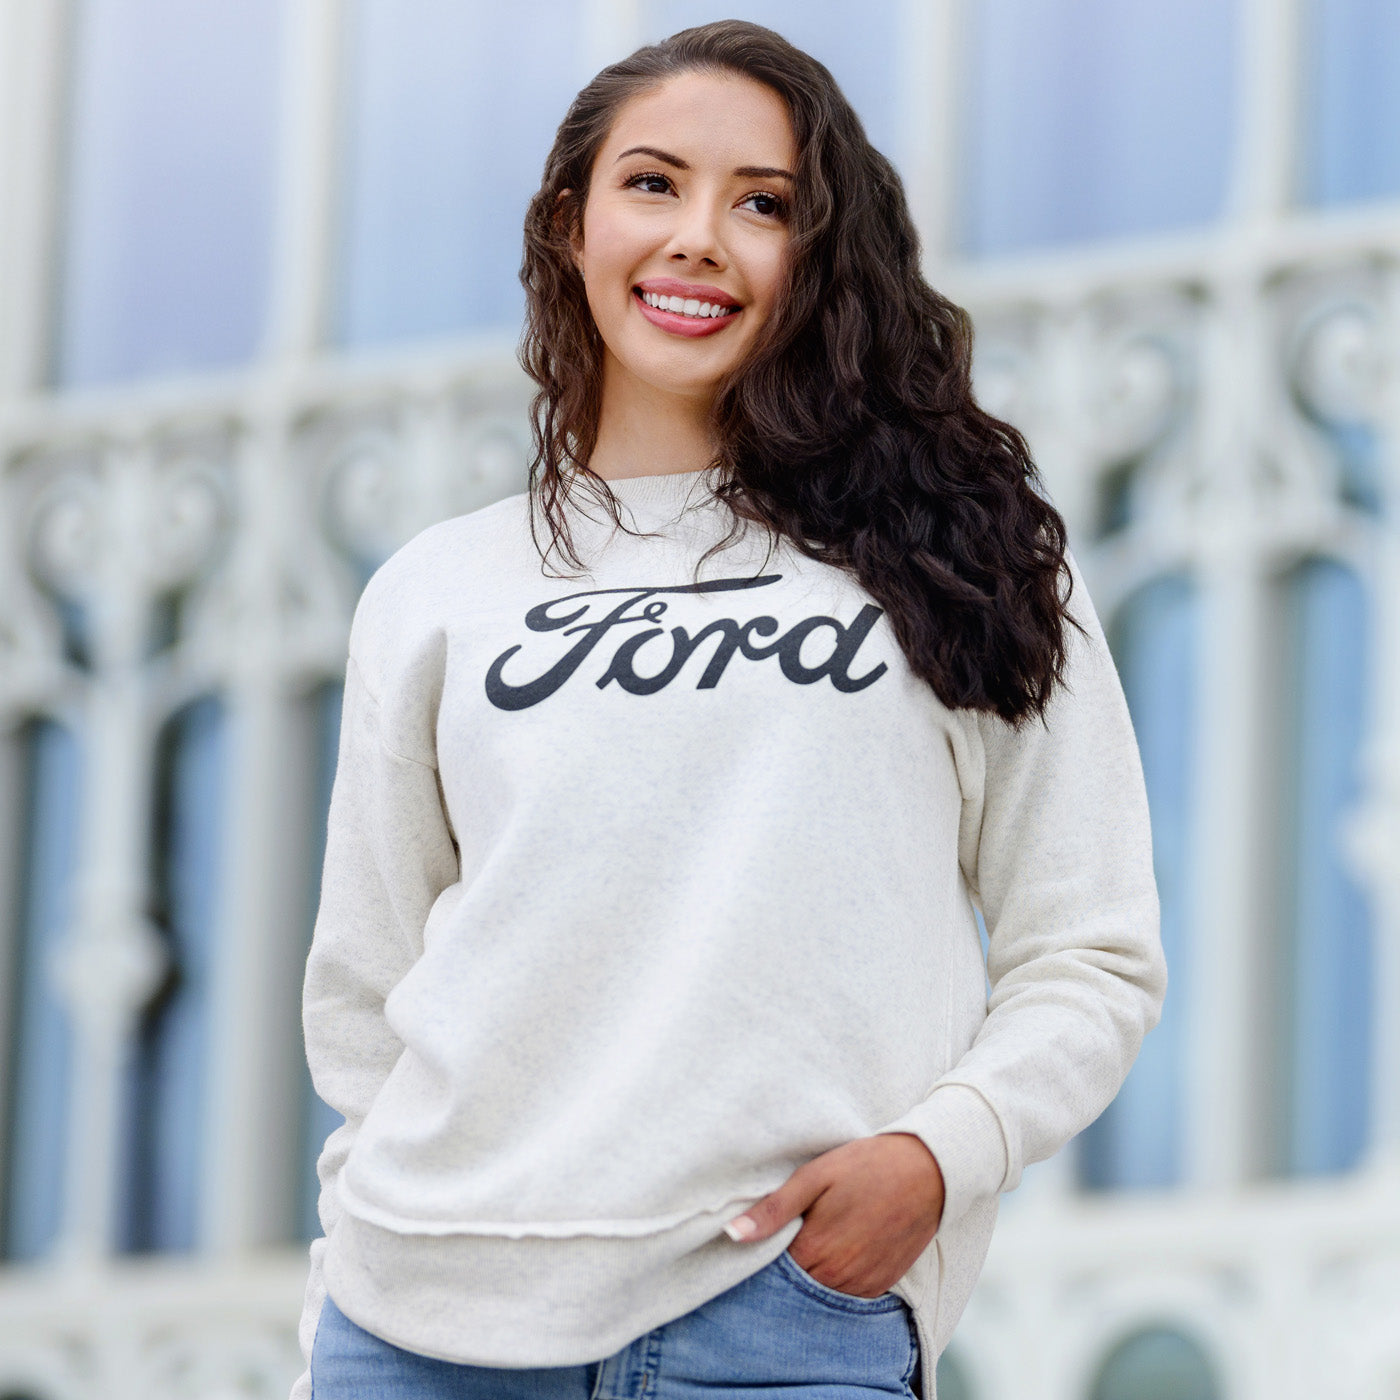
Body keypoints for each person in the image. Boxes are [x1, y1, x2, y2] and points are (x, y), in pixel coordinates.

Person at [293, 19, 1166, 1400]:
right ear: (571, 225)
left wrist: (937, 1159)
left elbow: (1093, 951)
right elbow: (365, 996)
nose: (701, 236)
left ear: (817, 259)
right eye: (654, 184)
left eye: (762, 204)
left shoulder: (958, 557)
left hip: (774, 1323)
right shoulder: (437, 588)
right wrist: (354, 1268)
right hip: (421, 1327)